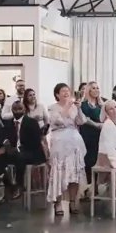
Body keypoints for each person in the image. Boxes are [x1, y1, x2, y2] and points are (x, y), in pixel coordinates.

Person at [0, 101, 46, 199]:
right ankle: (9, 184)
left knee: (19, 156)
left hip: (31, 152)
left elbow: (35, 141)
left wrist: (18, 149)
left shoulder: (31, 122)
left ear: (24, 109)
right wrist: (5, 141)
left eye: (20, 109)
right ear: (11, 110)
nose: (17, 111)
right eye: (15, 109)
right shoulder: (8, 123)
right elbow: (0, 136)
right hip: (13, 152)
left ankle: (19, 185)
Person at [47, 83, 87, 216]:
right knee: (59, 171)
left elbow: (81, 121)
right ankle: (58, 203)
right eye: (63, 91)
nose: (66, 93)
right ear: (57, 94)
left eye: (68, 91)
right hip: (59, 141)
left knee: (74, 172)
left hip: (74, 141)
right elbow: (58, 120)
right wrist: (68, 105)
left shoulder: (74, 107)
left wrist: (79, 108)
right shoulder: (53, 108)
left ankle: (73, 201)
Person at [79, 82, 105, 189]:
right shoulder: (83, 104)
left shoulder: (101, 105)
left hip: (100, 135)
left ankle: (96, 186)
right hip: (88, 134)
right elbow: (85, 119)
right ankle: (88, 186)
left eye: (97, 88)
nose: (96, 90)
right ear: (88, 90)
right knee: (88, 160)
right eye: (93, 88)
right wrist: (97, 125)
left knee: (97, 159)